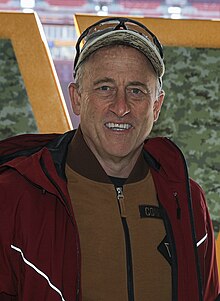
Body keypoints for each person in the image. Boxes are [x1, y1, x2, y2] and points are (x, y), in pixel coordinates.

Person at [0, 17, 219, 301]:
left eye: (136, 90)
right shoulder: (14, 196)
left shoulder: (187, 200)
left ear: (157, 106)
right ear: (77, 98)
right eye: (104, 88)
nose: (121, 107)